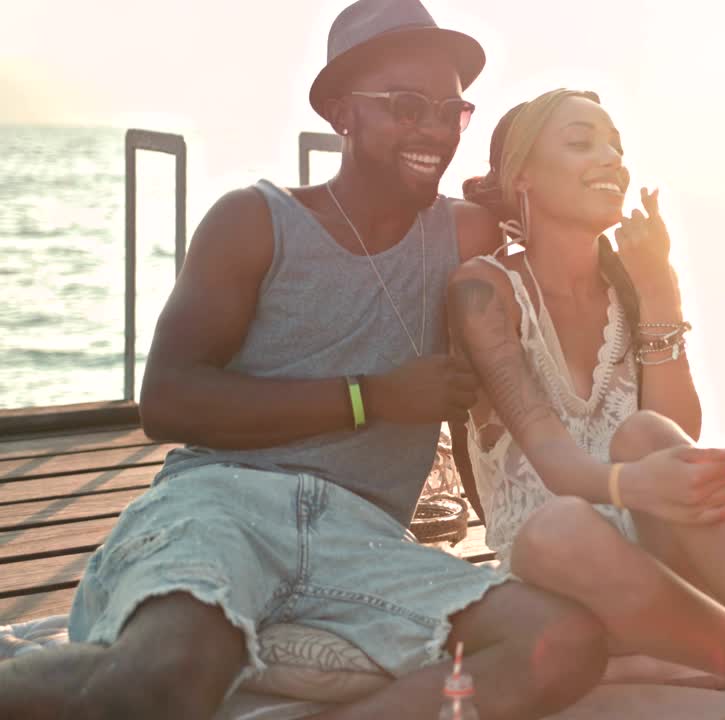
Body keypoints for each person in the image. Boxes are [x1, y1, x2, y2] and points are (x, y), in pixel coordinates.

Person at [0, 3, 609, 719]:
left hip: (363, 540)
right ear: (343, 114)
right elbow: (167, 400)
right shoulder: (255, 222)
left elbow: (558, 229)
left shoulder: (463, 233)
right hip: (222, 507)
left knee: (563, 641)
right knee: (160, 684)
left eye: (452, 111)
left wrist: (631, 270)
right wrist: (371, 399)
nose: (435, 131)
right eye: (407, 107)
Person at [448, 89, 725, 677]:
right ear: (521, 176)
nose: (611, 159)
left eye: (616, 146)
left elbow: (679, 434)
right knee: (562, 527)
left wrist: (658, 291)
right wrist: (639, 485)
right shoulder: (484, 291)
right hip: (563, 560)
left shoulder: (631, 287)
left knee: (649, 431)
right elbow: (553, 464)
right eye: (581, 143)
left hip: (661, 542)